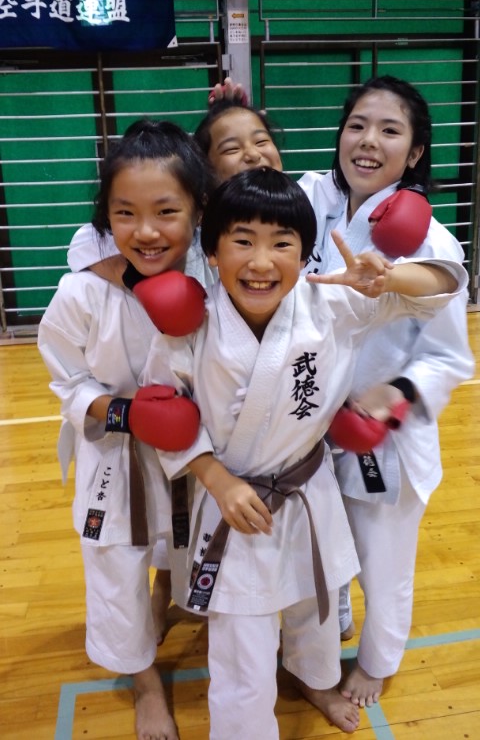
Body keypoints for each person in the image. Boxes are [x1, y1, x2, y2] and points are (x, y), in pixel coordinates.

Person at [142, 168, 467, 739]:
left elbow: (442, 287)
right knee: (242, 648)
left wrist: (388, 278)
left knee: (313, 615)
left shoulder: (332, 304)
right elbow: (164, 418)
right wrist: (215, 477)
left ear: (305, 254)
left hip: (308, 492)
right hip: (235, 503)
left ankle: (314, 680)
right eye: (243, 241)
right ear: (212, 252)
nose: (261, 262)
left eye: (282, 244)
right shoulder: (190, 325)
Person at [37, 119, 216, 740]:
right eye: (125, 213)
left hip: (195, 451)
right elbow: (67, 378)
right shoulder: (81, 292)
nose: (145, 231)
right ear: (105, 217)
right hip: (114, 455)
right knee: (115, 568)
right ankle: (145, 684)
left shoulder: (216, 281)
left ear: (198, 210)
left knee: (184, 543)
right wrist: (123, 412)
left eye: (166, 211)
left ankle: (167, 596)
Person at [298, 75, 474, 706]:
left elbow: (450, 357)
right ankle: (336, 621)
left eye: (389, 130)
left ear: (415, 152)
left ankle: (377, 662)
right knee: (324, 542)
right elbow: (251, 190)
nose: (368, 141)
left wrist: (393, 394)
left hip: (383, 439)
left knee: (384, 563)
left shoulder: (429, 241)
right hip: (309, 424)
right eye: (357, 125)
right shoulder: (313, 199)